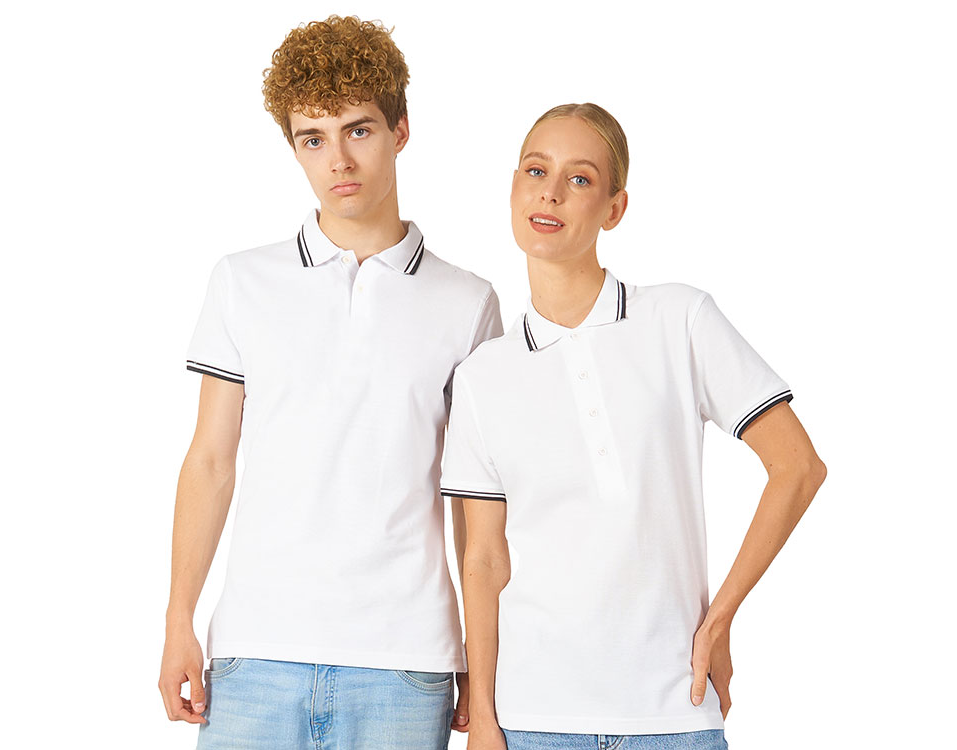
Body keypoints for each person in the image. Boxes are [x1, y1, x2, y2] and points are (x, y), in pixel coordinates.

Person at [158, 15, 500, 749]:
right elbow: (211, 460)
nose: (338, 159)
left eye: (358, 130)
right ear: (294, 148)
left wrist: (483, 659)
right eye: (313, 139)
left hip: (406, 664)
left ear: (400, 130)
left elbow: (477, 501)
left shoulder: (468, 303)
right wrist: (178, 617)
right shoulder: (242, 282)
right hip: (254, 655)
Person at [442, 103, 826, 750]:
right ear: (512, 187)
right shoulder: (484, 375)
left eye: (580, 178)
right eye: (536, 170)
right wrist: (483, 714)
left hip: (675, 710)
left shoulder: (679, 320)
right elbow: (483, 560)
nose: (551, 192)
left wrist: (720, 619)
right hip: (536, 719)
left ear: (614, 209)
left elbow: (798, 467)